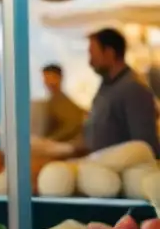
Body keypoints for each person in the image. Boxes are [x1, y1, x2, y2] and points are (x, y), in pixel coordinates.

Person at [84, 28, 160, 156]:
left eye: (93, 55)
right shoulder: (107, 85)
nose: (90, 62)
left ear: (109, 53)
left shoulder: (134, 90)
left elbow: (145, 147)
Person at [41, 64, 86, 143]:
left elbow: (74, 124)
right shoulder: (53, 100)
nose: (48, 82)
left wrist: (51, 140)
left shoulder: (61, 100)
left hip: (66, 144)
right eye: (46, 78)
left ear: (60, 78)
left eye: (52, 78)